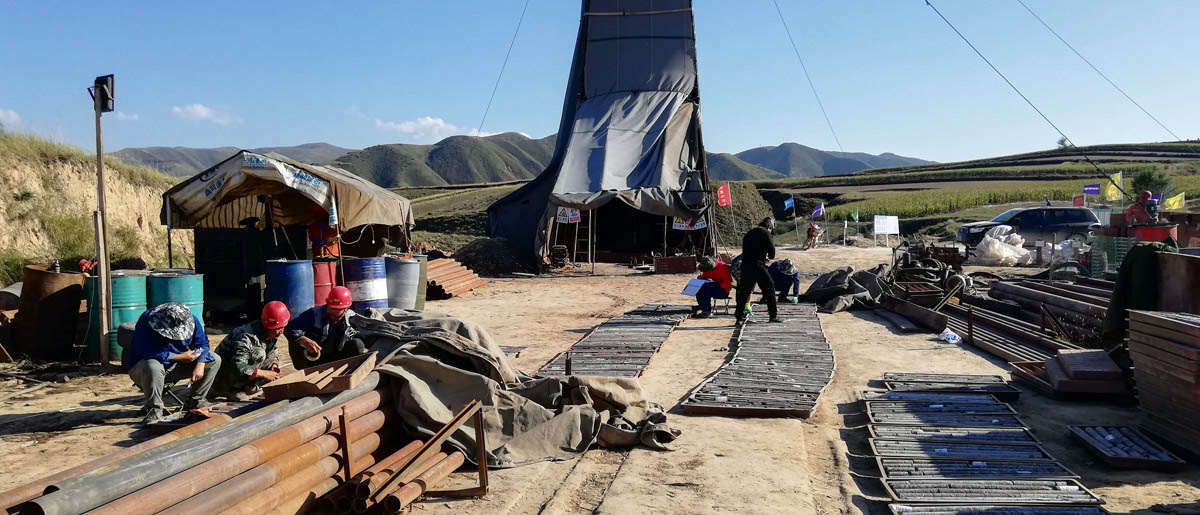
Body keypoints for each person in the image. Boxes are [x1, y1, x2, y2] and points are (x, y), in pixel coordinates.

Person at [126, 302, 221, 425]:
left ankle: (196, 401)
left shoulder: (190, 319)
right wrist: (179, 357)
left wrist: (200, 364)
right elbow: (145, 351)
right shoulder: (147, 321)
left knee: (214, 360)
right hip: (145, 369)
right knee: (152, 366)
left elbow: (202, 344)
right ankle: (154, 409)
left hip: (176, 365)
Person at [212, 301, 290, 399]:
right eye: (278, 328)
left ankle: (248, 386)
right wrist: (265, 374)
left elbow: (272, 351)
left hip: (240, 375)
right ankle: (231, 390)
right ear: (267, 325)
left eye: (283, 328)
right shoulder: (246, 337)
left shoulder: (270, 333)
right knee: (259, 353)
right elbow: (238, 366)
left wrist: (274, 365)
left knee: (265, 356)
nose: (281, 332)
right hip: (222, 379)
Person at [286, 286, 367, 368]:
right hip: (314, 359)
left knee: (357, 344)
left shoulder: (352, 318)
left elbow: (366, 336)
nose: (330, 310)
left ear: (346, 308)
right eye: (330, 306)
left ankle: (346, 369)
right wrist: (302, 340)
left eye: (335, 309)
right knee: (295, 341)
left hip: (337, 358)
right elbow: (289, 328)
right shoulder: (314, 314)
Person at [735, 218, 780, 325]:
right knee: (769, 288)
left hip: (745, 265)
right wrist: (766, 257)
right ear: (769, 227)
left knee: (744, 291)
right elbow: (772, 253)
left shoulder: (749, 233)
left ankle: (739, 317)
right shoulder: (766, 233)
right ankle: (773, 316)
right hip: (758, 265)